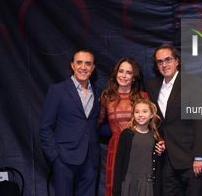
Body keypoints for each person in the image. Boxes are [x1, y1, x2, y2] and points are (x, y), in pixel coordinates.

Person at [147, 43, 202, 196]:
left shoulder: (192, 82)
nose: (164, 64)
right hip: (166, 159)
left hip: (191, 158)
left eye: (168, 59)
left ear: (177, 61)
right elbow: (154, 121)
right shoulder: (152, 85)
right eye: (160, 61)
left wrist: (199, 157)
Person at [97, 57, 165, 196]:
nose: (124, 75)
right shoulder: (106, 97)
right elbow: (96, 124)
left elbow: (152, 125)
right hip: (116, 148)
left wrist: (161, 141)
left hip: (140, 149)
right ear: (116, 74)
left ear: (134, 77)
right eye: (121, 71)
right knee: (116, 189)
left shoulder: (142, 96)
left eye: (129, 72)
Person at [40, 50, 103, 196]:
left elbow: (98, 125)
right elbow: (45, 126)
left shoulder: (99, 93)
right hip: (64, 158)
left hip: (91, 159)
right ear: (72, 66)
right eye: (79, 62)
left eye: (88, 63)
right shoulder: (57, 90)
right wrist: (55, 157)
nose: (83, 67)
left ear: (93, 68)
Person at [112, 99, 162, 196]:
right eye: (137, 111)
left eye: (145, 111)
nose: (140, 115)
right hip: (128, 183)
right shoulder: (126, 134)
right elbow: (119, 162)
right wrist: (116, 189)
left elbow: (158, 166)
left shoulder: (155, 137)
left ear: (151, 115)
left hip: (147, 184)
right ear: (133, 115)